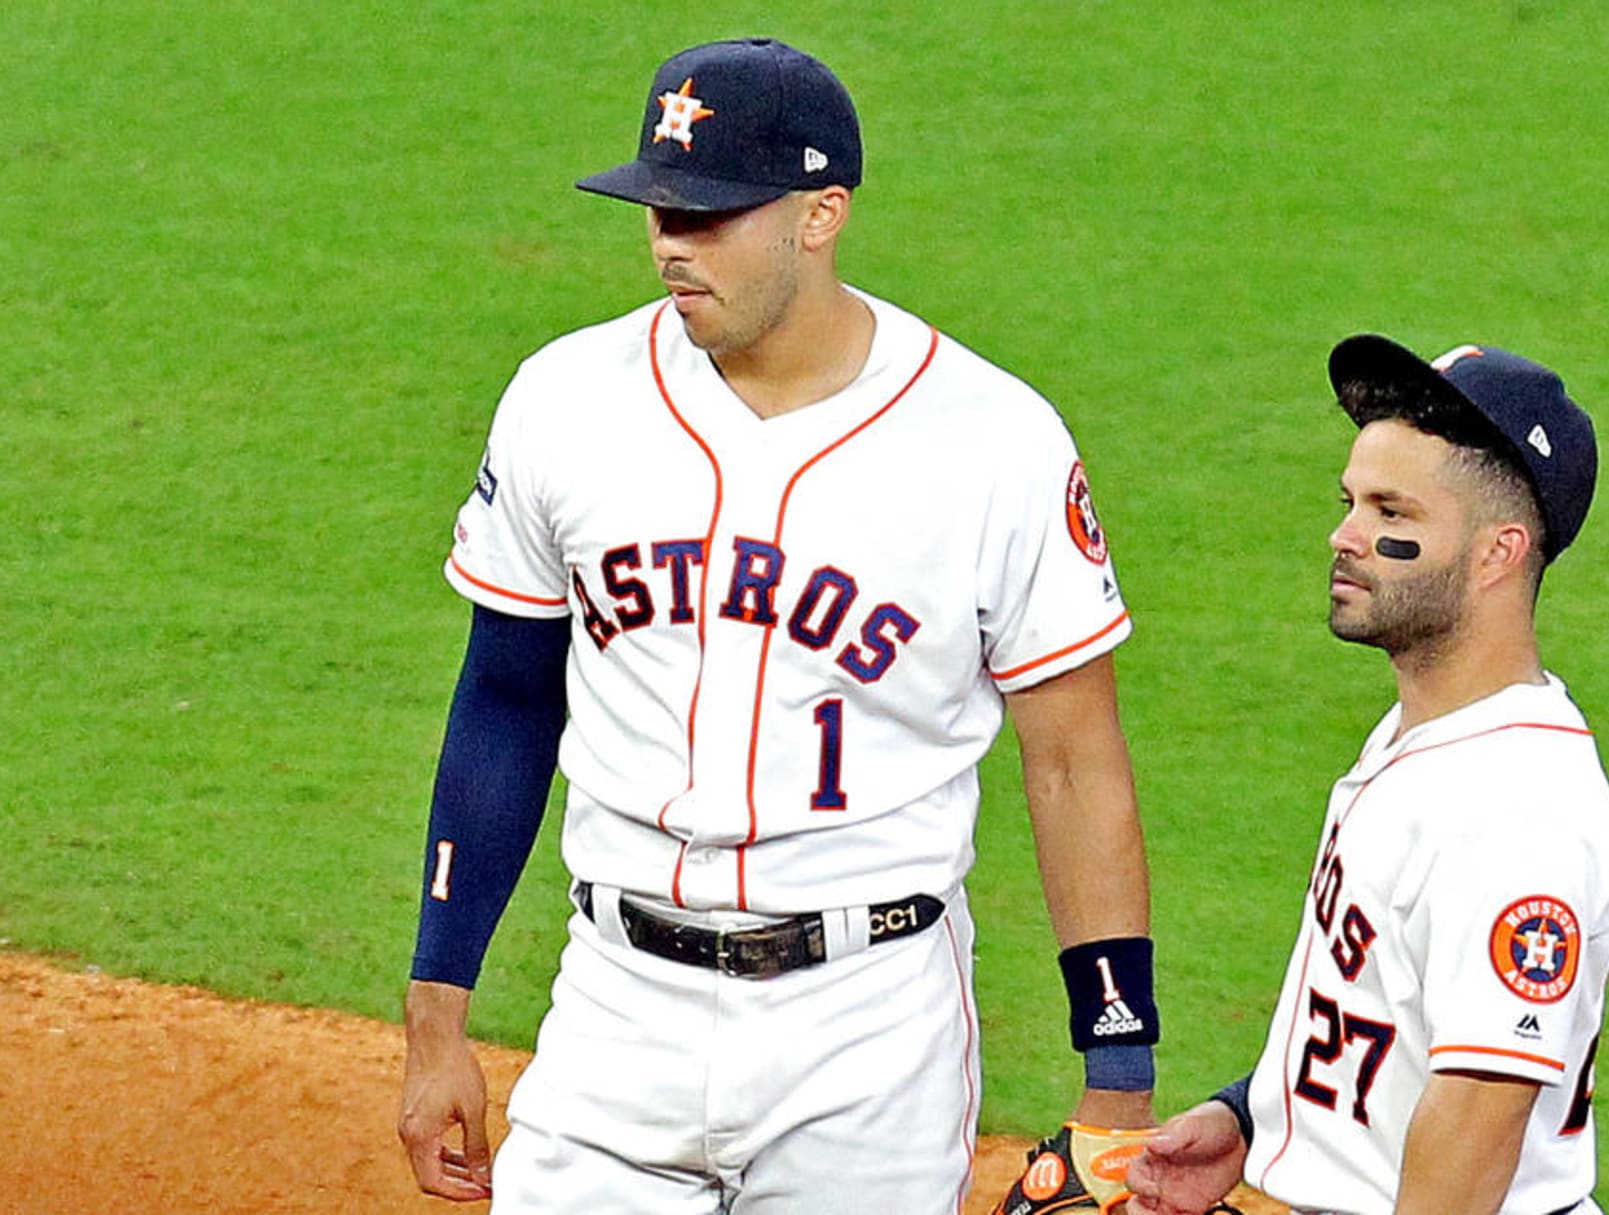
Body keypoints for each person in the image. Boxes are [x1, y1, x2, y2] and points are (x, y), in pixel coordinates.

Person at [395, 38, 1160, 1212]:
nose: (669, 240)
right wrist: (436, 1013)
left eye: (711, 214)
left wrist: (1118, 1073)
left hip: (868, 1035)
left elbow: (1072, 761)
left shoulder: (996, 442)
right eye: (657, 207)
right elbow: (504, 698)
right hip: (615, 1007)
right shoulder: (566, 400)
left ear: (821, 214)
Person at [1127, 338, 1609, 1215]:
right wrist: (1253, 1119)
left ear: (1496, 552)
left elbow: (1473, 1129)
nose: (1345, 535)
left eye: (1390, 510)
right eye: (1351, 501)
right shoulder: (1433, 729)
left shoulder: (1517, 813)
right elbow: (1394, 1000)